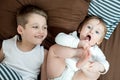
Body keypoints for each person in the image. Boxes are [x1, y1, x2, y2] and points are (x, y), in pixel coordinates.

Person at [47, 16, 110, 80]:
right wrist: (77, 43)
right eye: (89, 27)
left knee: (96, 74)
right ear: (80, 29)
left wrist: (100, 67)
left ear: (99, 41)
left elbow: (106, 63)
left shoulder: (96, 51)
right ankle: (76, 53)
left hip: (77, 76)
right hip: (59, 70)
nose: (91, 32)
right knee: (54, 49)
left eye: (97, 32)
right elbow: (58, 38)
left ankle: (84, 64)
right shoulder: (73, 37)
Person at [0, 5, 48, 80]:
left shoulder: (43, 53)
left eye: (44, 27)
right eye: (35, 27)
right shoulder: (8, 44)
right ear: (21, 30)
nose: (41, 31)